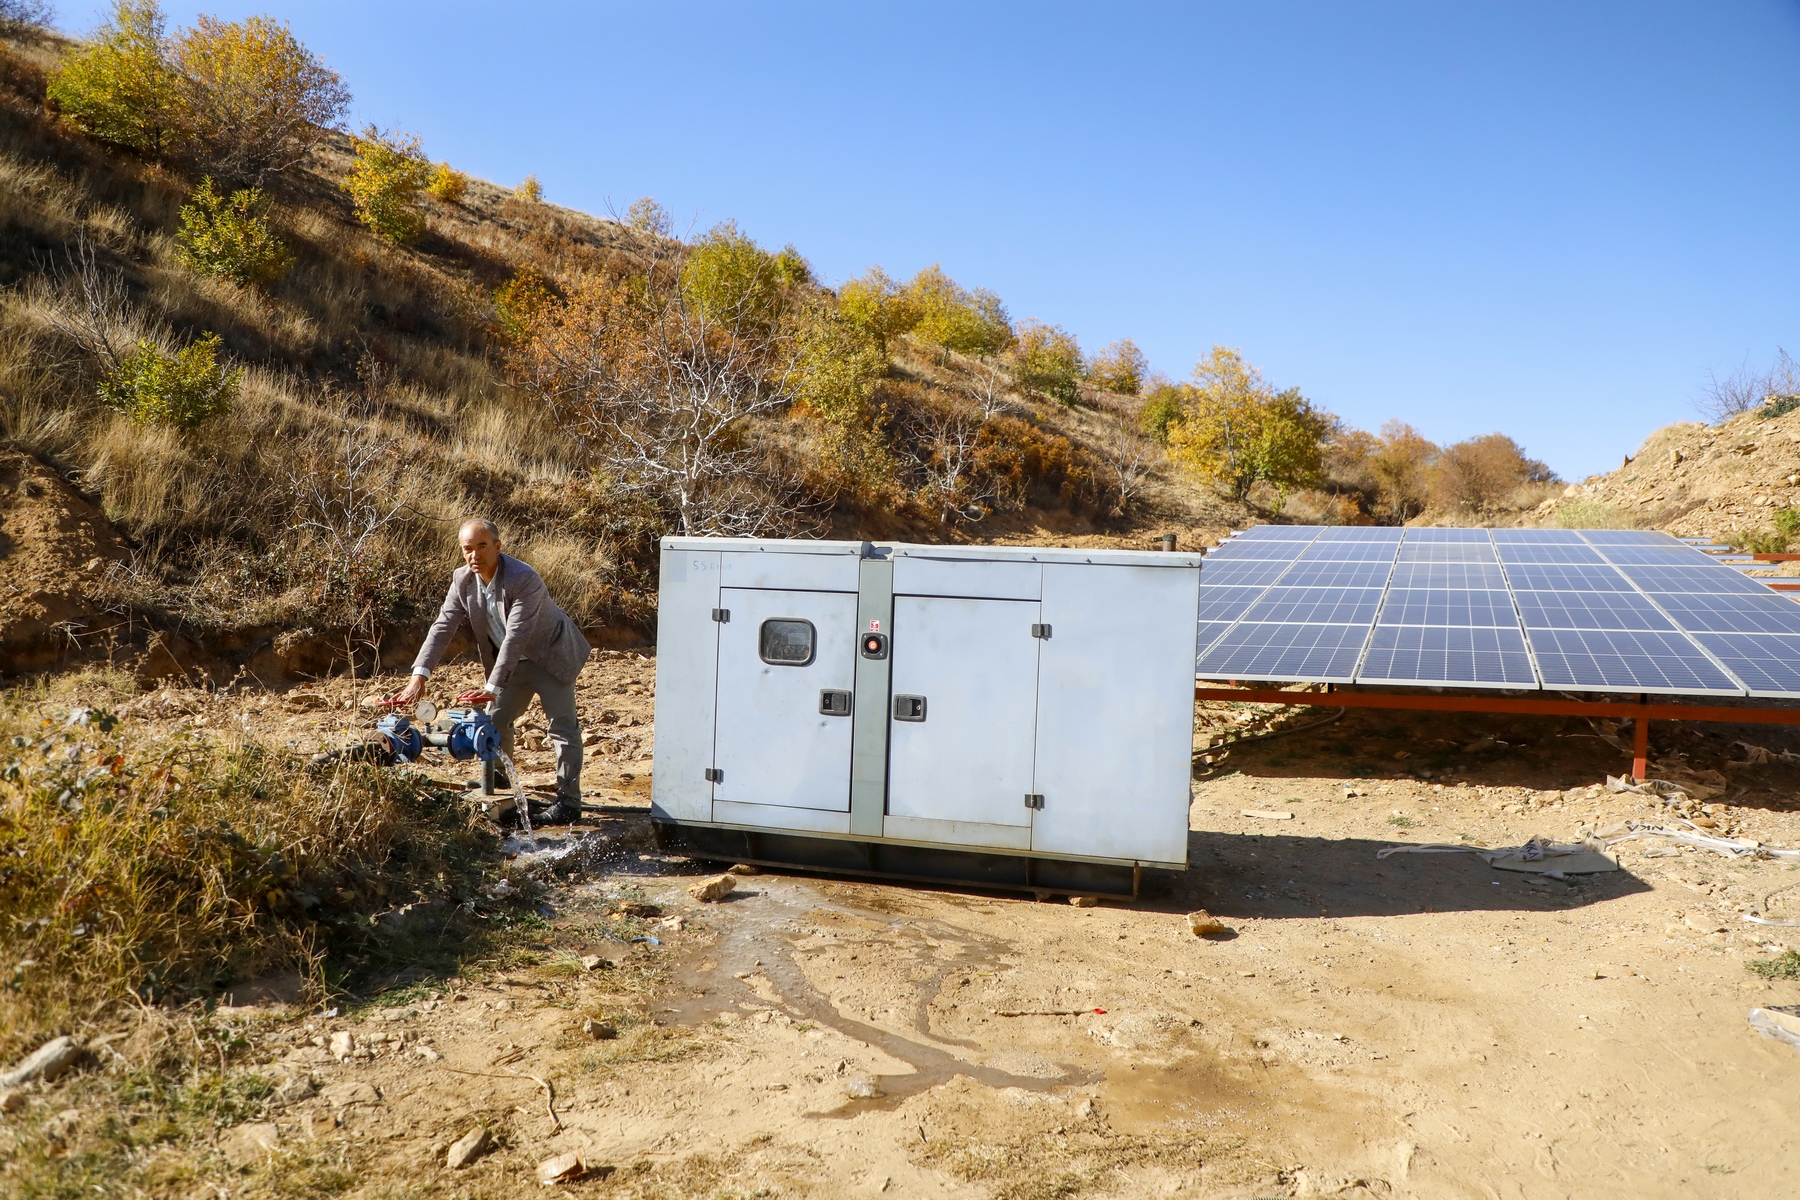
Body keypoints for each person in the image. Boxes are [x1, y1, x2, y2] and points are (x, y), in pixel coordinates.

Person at [385, 517, 592, 823]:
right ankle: (499, 781)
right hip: (510, 663)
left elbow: (516, 635)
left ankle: (568, 804)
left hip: (550, 656)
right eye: (468, 548)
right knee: (497, 720)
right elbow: (442, 628)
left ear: (498, 546)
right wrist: (419, 677)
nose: (475, 555)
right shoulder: (462, 580)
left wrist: (491, 687)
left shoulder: (524, 579)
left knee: (562, 727)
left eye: (482, 546)